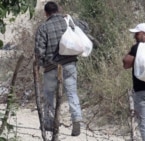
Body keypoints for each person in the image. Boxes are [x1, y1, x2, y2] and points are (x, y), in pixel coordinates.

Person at [34, 1, 89, 136]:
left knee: (49, 95)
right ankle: (76, 119)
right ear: (58, 10)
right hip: (70, 64)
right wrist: (70, 18)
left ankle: (50, 123)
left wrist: (40, 64)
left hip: (51, 66)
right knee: (72, 93)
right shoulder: (67, 21)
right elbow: (85, 27)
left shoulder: (43, 28)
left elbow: (39, 50)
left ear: (46, 13)